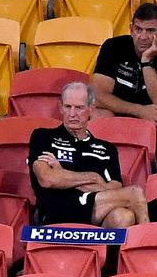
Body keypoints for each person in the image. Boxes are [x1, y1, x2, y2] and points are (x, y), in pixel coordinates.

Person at [28, 82, 149, 227]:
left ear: (91, 110)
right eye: (68, 107)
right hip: (56, 211)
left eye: (79, 108)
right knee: (135, 193)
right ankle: (148, 245)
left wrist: (64, 175)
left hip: (93, 209)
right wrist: (94, 178)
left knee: (124, 216)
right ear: (60, 107)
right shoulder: (43, 137)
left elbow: (116, 188)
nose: (72, 114)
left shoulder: (107, 149)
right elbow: (47, 179)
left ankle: (119, 250)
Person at [92, 2, 157, 168]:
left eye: (150, 31)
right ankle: (101, 165)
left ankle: (152, 169)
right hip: (121, 110)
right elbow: (98, 96)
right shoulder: (113, 47)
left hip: (154, 114)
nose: (143, 37)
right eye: (138, 29)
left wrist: (146, 62)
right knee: (98, 115)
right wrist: (140, 111)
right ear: (131, 29)